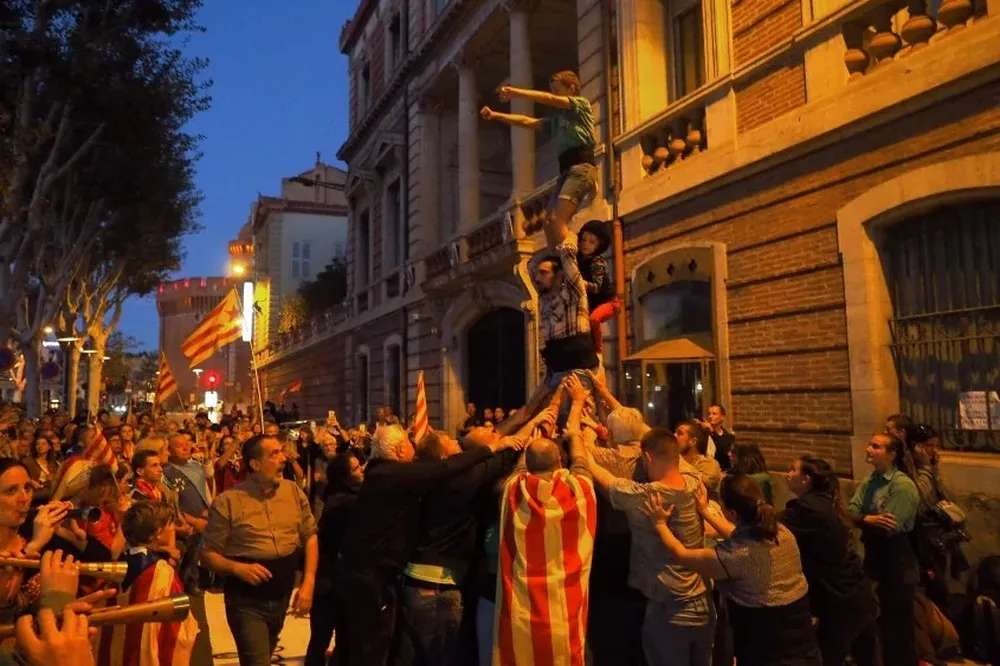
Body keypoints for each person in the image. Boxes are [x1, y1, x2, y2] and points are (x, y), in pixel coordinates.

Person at [334, 424, 504, 666]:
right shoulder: (392, 474)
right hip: (370, 581)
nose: (413, 447)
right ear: (399, 450)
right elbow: (446, 467)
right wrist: (490, 447)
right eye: (408, 443)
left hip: (377, 578)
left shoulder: (384, 473)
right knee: (371, 648)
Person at [642, 474, 821, 666]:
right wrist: (705, 511)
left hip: (769, 654)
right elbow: (740, 537)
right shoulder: (780, 532)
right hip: (804, 647)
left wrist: (660, 524)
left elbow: (682, 554)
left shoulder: (733, 557)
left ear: (733, 513)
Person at [587, 427, 714, 666]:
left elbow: (603, 478)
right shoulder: (695, 482)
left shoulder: (648, 497)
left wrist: (579, 440)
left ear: (647, 458)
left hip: (669, 611)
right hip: (704, 606)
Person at [492, 375, 597, 666]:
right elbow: (580, 457)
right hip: (565, 615)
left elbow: (524, 464)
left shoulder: (514, 491)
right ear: (560, 463)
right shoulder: (580, 491)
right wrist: (575, 407)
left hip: (522, 619)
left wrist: (545, 413)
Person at [201, 434, 319, 666]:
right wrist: (236, 568)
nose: (283, 458)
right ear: (255, 464)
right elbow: (207, 554)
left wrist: (308, 582)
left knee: (264, 655)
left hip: (282, 596)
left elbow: (310, 536)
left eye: (281, 452)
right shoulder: (229, 501)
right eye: (274, 454)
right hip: (246, 602)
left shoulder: (293, 492)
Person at [480, 70, 598, 249]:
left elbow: (549, 100)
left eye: (557, 90)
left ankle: (575, 260)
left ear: (571, 88)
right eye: (553, 90)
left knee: (558, 220)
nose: (554, 94)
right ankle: (558, 260)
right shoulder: (557, 122)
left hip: (581, 168)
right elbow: (527, 122)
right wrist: (495, 115)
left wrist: (516, 92)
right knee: (548, 223)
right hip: (566, 172)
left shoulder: (581, 106)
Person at [783, 456, 879, 666]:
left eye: (792, 470)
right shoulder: (824, 500)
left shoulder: (808, 508)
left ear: (806, 479)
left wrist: (710, 516)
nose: (787, 474)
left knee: (828, 656)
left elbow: (769, 531)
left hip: (841, 597)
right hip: (855, 592)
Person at [847, 432, 921, 666]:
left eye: (876, 446)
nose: (869, 449)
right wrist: (868, 519)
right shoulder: (871, 481)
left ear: (892, 454)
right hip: (874, 556)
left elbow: (890, 526)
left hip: (897, 560)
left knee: (897, 624)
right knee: (870, 616)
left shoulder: (903, 485)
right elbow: (850, 511)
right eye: (869, 444)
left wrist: (864, 519)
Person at [97, 501, 199, 666]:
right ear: (157, 532)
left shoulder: (116, 568)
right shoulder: (161, 573)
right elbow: (177, 624)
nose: (173, 528)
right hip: (146, 653)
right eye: (170, 524)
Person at [305, 452, 364, 666]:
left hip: (337, 579)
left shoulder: (341, 497)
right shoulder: (343, 502)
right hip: (330, 581)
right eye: (357, 468)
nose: (362, 470)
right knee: (323, 637)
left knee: (341, 636)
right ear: (345, 477)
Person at [577, 220, 621, 361]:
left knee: (594, 319)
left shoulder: (597, 262)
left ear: (599, 245)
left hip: (610, 302)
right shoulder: (579, 260)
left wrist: (582, 283)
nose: (585, 244)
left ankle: (599, 350)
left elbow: (596, 287)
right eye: (583, 240)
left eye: (591, 242)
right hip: (594, 304)